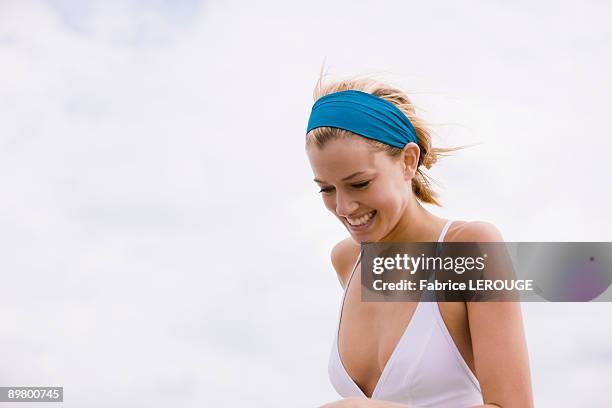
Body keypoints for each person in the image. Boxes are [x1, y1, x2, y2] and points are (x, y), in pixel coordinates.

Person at [305, 74, 533, 408]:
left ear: (408, 161)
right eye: (326, 189)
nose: (343, 207)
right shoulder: (347, 260)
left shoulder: (469, 247)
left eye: (360, 184)